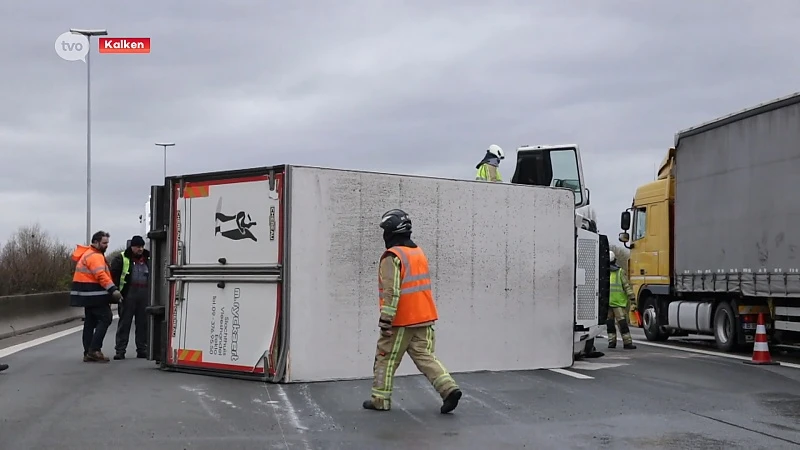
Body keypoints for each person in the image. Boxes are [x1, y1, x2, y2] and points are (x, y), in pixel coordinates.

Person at [363, 209, 463, 414]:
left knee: (385, 357)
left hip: (401, 320)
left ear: (391, 232)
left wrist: (386, 320)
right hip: (424, 317)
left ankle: (380, 399)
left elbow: (392, 291)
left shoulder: (393, 256)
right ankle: (448, 389)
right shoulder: (417, 252)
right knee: (425, 356)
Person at [69, 230, 122, 362]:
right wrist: (113, 290)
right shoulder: (95, 256)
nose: (106, 245)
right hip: (95, 295)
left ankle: (88, 352)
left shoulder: (88, 254)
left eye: (107, 243)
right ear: (95, 242)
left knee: (90, 322)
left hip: (87, 295)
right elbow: (101, 275)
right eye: (104, 243)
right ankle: (95, 350)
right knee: (106, 318)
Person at [110, 235, 150, 360]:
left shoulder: (148, 258)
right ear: (132, 247)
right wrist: (115, 291)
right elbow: (113, 276)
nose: (141, 249)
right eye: (138, 247)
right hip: (128, 295)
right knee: (124, 323)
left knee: (143, 323)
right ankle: (120, 350)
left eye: (142, 246)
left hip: (144, 294)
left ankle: (142, 349)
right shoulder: (121, 258)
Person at [608, 250, 636, 350]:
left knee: (616, 324)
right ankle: (622, 342)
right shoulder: (617, 272)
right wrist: (632, 299)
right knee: (616, 324)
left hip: (612, 303)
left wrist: (632, 299)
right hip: (615, 303)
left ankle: (617, 342)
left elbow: (626, 286)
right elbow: (627, 286)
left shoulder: (611, 272)